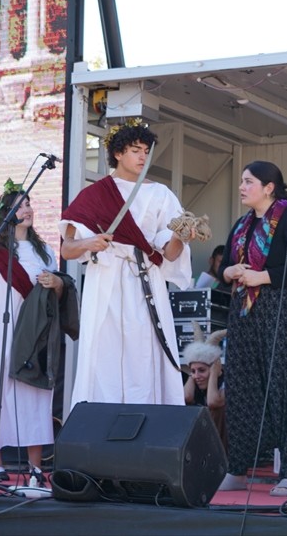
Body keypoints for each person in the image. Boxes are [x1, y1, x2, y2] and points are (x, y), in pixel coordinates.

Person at [59, 121, 196, 406]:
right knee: (105, 351)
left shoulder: (161, 195)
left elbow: (169, 254)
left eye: (146, 150)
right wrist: (88, 242)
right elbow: (67, 250)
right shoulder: (95, 194)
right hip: (107, 280)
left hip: (146, 282)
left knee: (144, 352)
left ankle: (148, 424)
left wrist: (182, 237)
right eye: (136, 150)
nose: (143, 157)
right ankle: (100, 427)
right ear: (118, 153)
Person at [216, 161, 287, 497]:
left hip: (286, 310)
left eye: (249, 181)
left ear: (269, 187)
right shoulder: (243, 223)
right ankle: (237, 467)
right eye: (242, 181)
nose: (242, 186)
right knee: (243, 387)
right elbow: (226, 267)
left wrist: (265, 276)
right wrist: (230, 271)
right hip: (247, 313)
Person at [0, 186, 63, 487]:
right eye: (20, 205)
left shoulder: (44, 251)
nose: (27, 209)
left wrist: (55, 282)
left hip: (33, 333)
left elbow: (58, 293)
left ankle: (35, 467)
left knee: (33, 394)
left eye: (29, 203)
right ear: (5, 215)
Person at [183, 328, 227, 451]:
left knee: (217, 410)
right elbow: (186, 398)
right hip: (200, 445)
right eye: (193, 371)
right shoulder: (194, 382)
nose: (196, 376)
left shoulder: (227, 382)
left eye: (202, 370)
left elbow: (214, 403)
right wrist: (194, 372)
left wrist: (214, 373)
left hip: (223, 447)